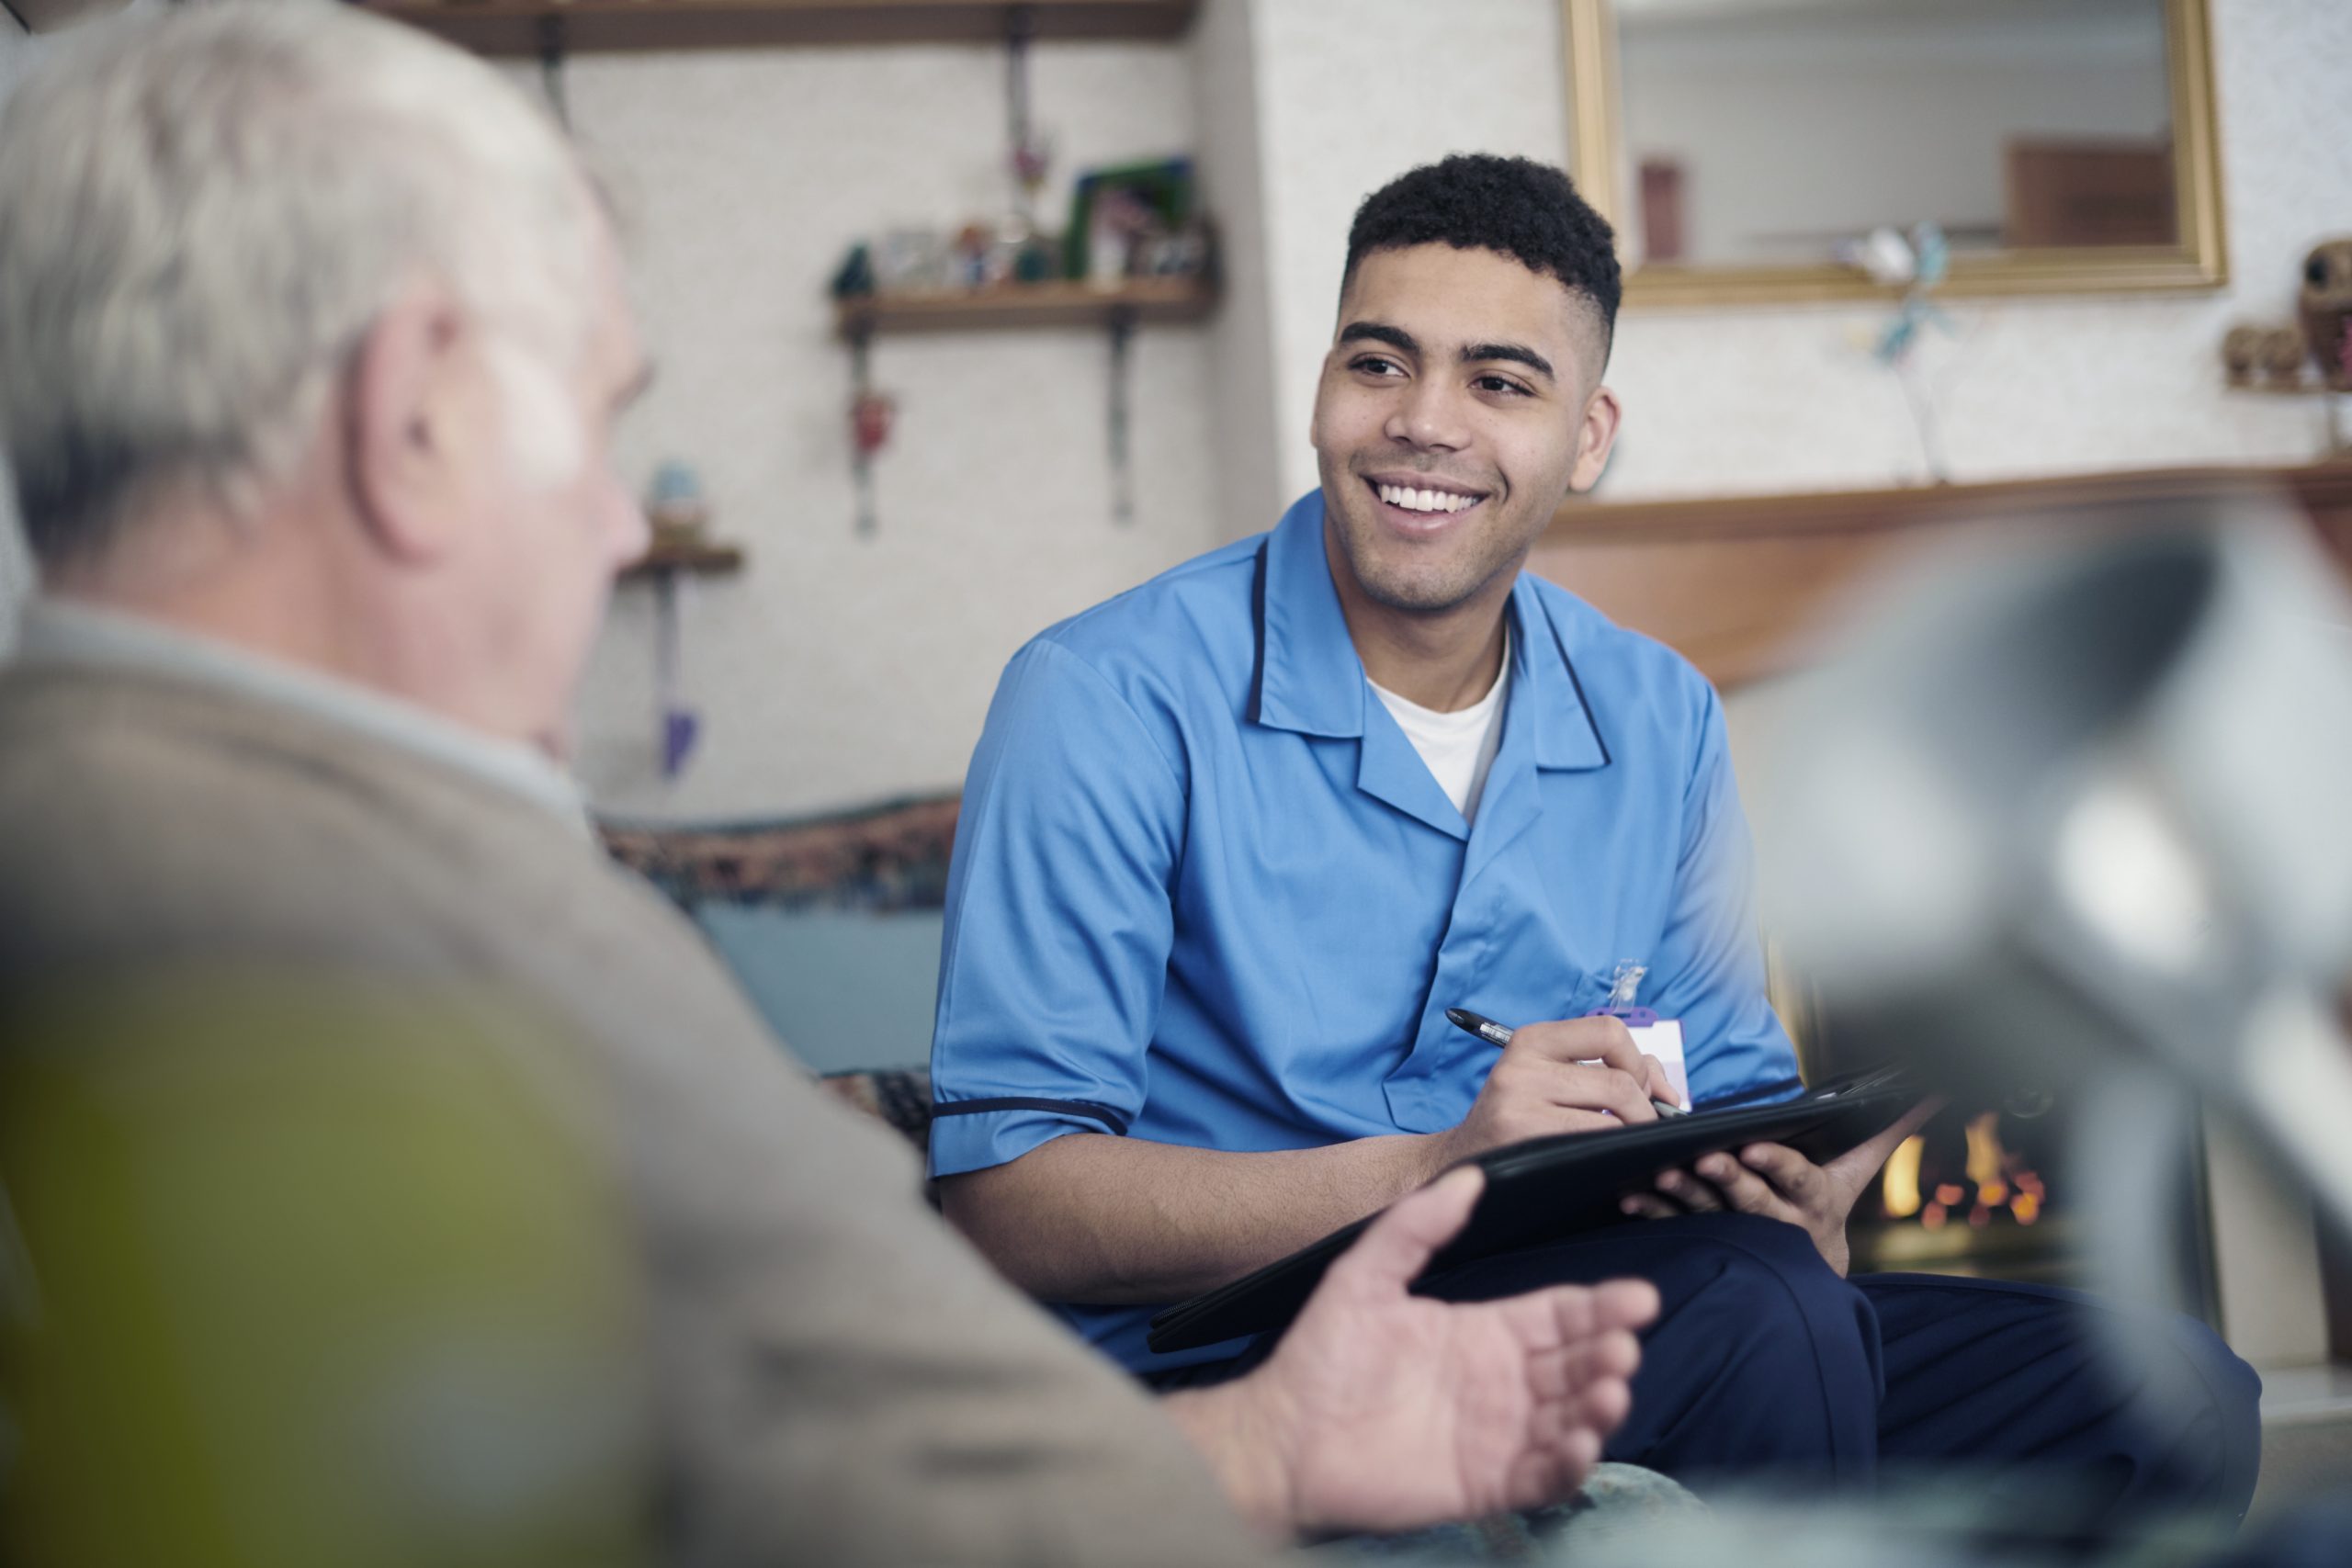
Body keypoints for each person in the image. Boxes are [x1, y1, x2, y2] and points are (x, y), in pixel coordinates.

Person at [0, 11, 1661, 1564]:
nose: (615, 525)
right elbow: (884, 1422)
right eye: (592, 427)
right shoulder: (395, 909)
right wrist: (1267, 1453)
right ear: (411, 420)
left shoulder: (105, 817)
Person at [928, 152, 2264, 1520]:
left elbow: (1735, 1101)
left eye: (1501, 383)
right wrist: (1438, 1167)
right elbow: (1008, 1205)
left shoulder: (1660, 714)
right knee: (1763, 1320)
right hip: (1236, 1355)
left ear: (1589, 434)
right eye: (1379, 364)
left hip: (1623, 1304)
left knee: (2175, 1391)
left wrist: (1798, 1190)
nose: (1423, 424)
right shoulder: (1101, 698)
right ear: (1324, 387)